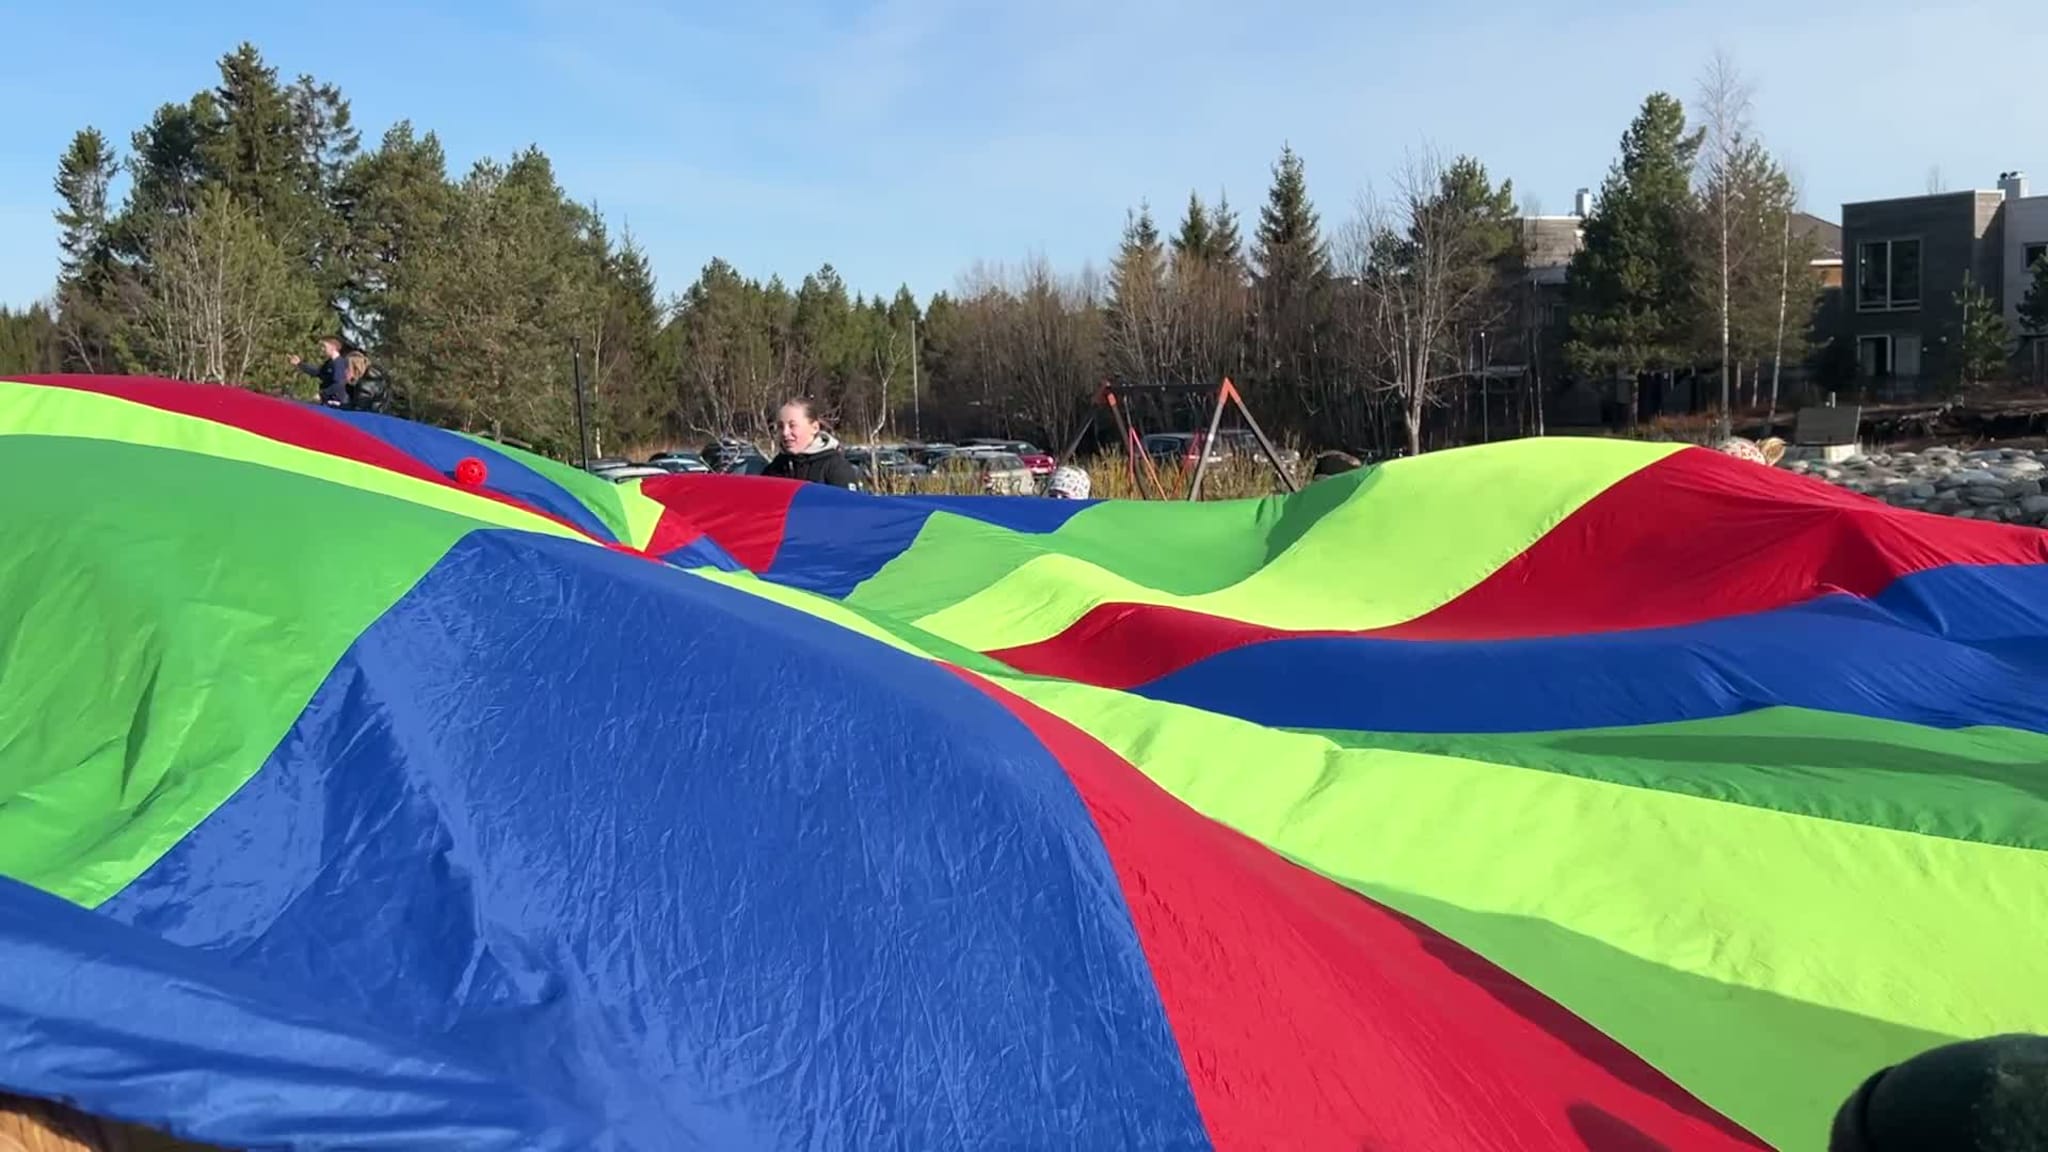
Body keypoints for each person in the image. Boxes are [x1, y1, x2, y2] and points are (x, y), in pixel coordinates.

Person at [761, 398, 858, 488]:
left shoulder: (835, 467)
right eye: (781, 426)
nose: (785, 433)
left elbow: (850, 504)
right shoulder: (774, 469)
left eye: (792, 426)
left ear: (815, 428)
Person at [289, 338, 351, 407]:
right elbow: (318, 372)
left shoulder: (339, 363)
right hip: (327, 401)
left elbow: (339, 383)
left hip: (335, 403)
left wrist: (322, 394)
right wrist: (300, 364)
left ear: (333, 347)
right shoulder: (329, 362)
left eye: (324, 346)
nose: (322, 349)